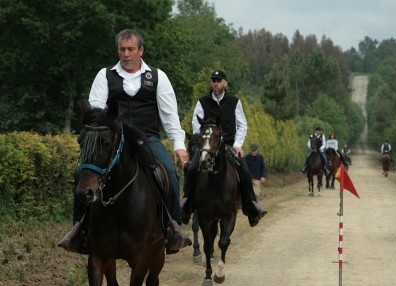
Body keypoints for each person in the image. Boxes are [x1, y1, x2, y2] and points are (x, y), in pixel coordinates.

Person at [58, 29, 190, 255]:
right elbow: (96, 111)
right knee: (82, 173)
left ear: (141, 50)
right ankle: (79, 230)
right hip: (112, 140)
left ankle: (173, 228)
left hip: (146, 139)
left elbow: (169, 116)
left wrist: (179, 145)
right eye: (122, 49)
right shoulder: (104, 75)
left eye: (130, 49)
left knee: (169, 171)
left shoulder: (158, 77)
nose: (126, 54)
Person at [182, 70, 267, 227]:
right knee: (192, 168)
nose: (215, 83)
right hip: (207, 146)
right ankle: (186, 205)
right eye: (213, 80)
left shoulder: (234, 102)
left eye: (219, 80)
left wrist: (237, 145)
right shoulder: (202, 101)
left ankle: (252, 207)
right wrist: (204, 141)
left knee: (245, 171)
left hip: (228, 146)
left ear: (225, 83)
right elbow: (196, 124)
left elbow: (242, 125)